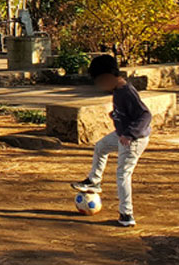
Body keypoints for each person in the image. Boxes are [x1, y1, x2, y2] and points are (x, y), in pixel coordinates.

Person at [71, 54, 152, 227]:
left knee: (123, 175)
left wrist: (129, 134)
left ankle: (127, 214)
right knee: (101, 146)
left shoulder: (127, 92)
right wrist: (115, 116)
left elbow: (145, 115)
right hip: (121, 134)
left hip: (133, 140)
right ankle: (95, 181)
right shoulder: (117, 90)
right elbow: (125, 113)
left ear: (109, 76)